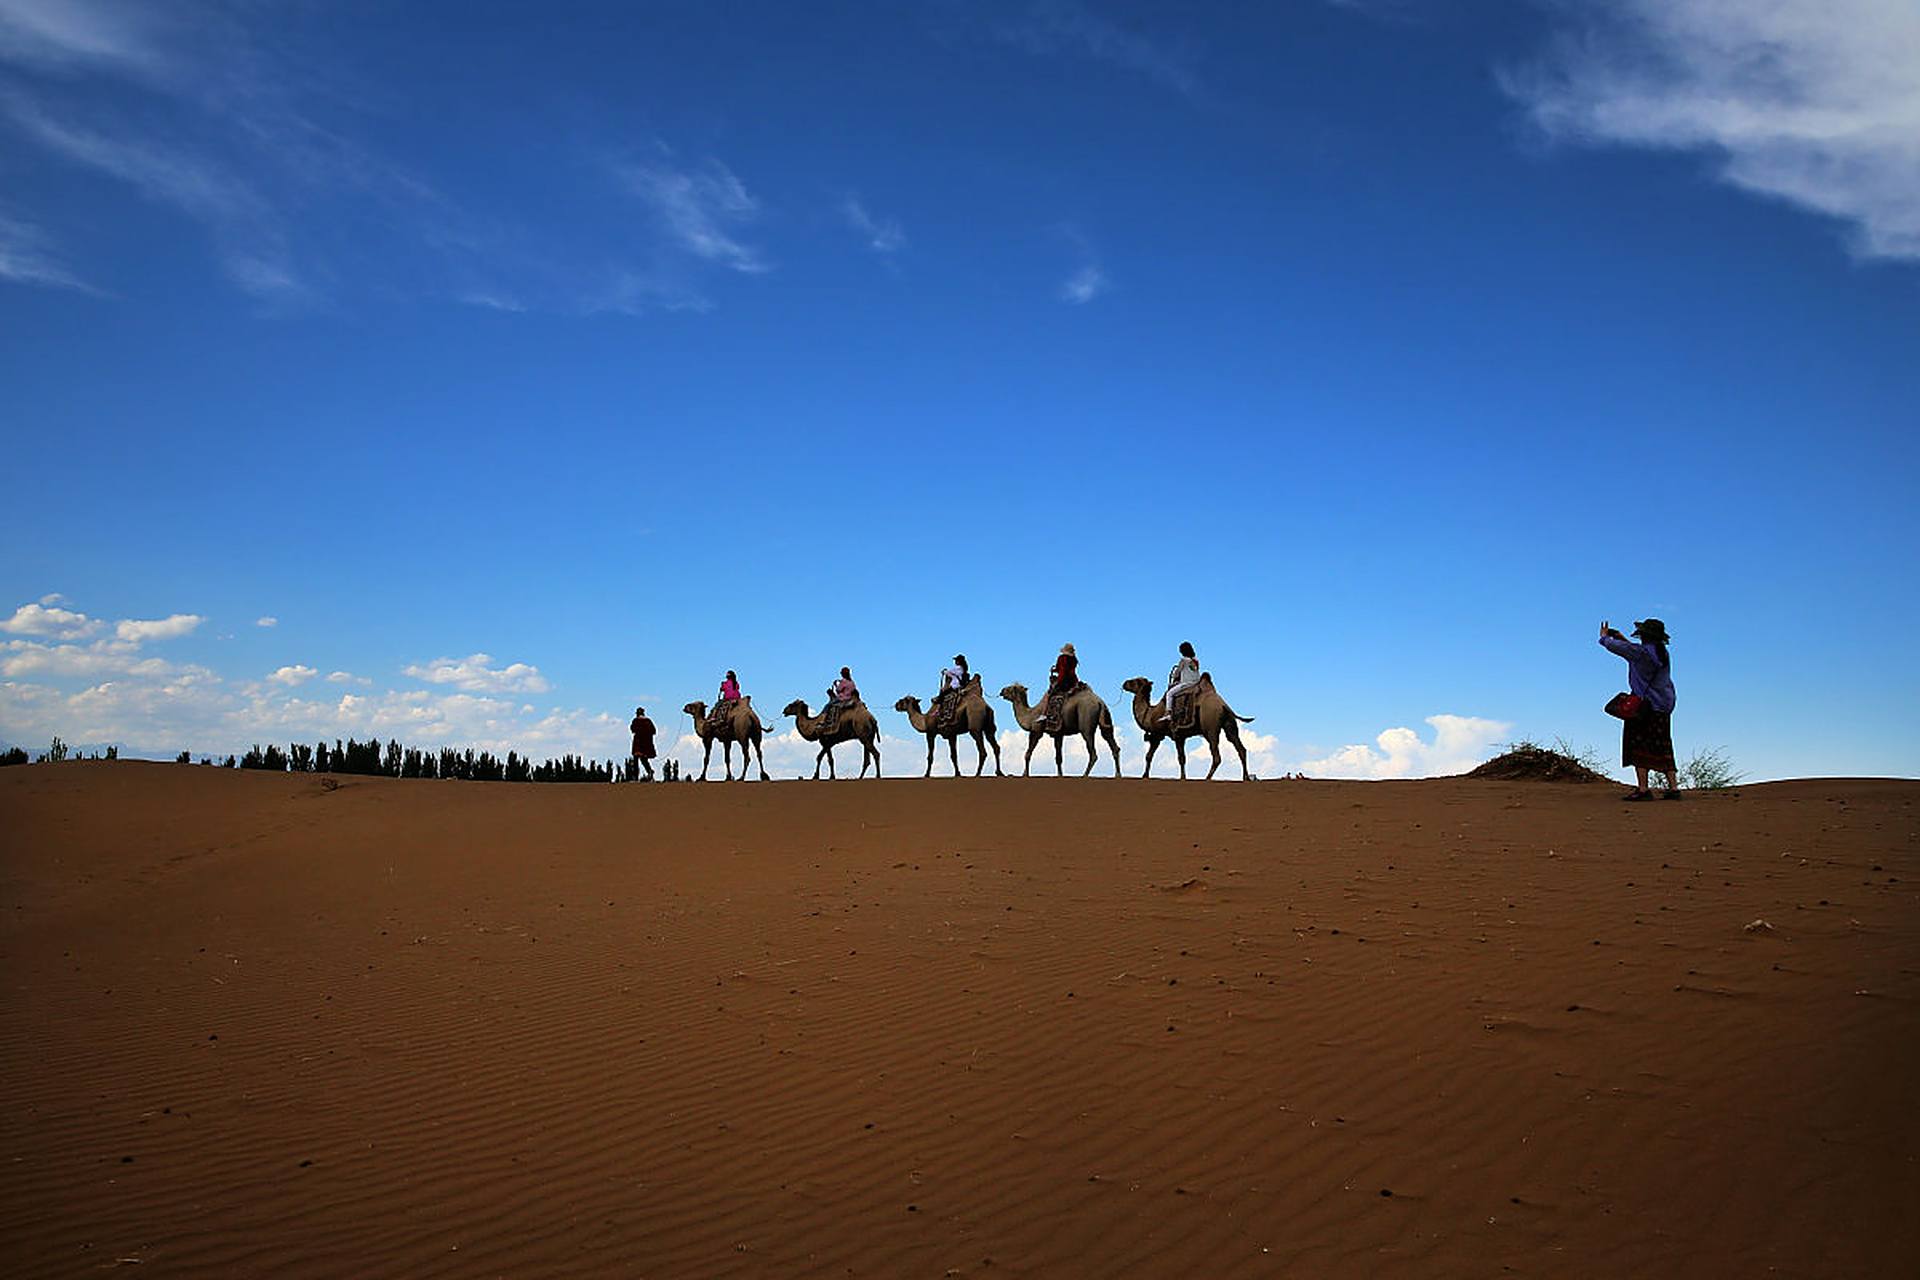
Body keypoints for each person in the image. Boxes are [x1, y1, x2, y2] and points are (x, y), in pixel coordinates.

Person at [1600, 618, 1678, 800]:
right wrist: (1622, 638)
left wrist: (1605, 637)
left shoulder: (1641, 652)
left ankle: (1643, 789)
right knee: (1663, 744)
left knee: (1638, 744)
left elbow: (1619, 649)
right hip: (1664, 704)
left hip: (1645, 705)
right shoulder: (1662, 653)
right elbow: (1634, 653)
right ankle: (1673, 788)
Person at [1159, 641, 1201, 726]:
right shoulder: (1196, 660)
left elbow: (1177, 673)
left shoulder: (1183, 660)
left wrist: (1174, 678)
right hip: (1197, 682)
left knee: (1169, 694)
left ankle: (1168, 713)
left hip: (1188, 683)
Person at [1038, 643, 1079, 728]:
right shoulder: (1074, 659)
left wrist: (1058, 681)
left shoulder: (1062, 658)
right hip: (1073, 681)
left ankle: (1044, 715)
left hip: (1063, 682)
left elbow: (1062, 671)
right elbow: (1068, 670)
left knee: (1048, 695)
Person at [629, 705, 657, 780]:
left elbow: (632, 729)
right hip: (645, 744)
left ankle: (636, 776)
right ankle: (649, 771)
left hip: (638, 743)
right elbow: (653, 731)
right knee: (643, 759)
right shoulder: (648, 721)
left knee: (636, 760)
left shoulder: (635, 721)